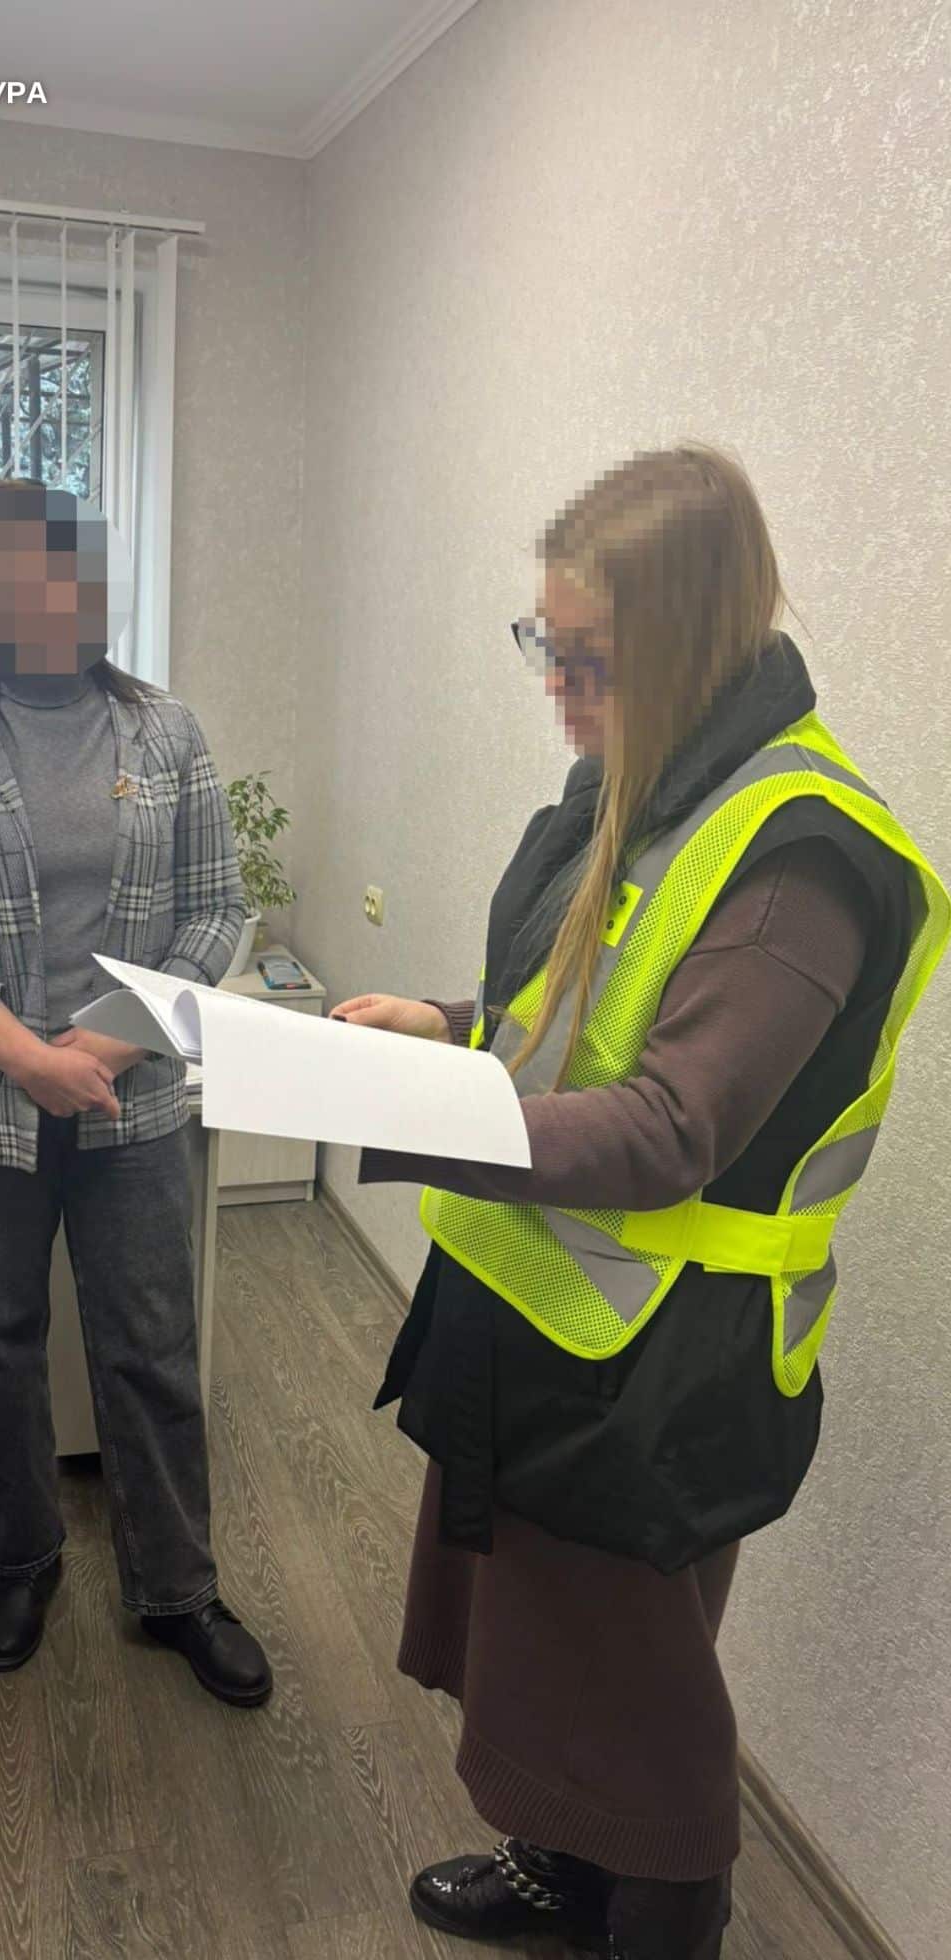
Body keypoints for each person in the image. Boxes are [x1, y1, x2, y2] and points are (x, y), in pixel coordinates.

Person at [333, 445, 947, 1959]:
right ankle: (563, 1871)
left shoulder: (801, 855)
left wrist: (419, 1117)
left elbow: (675, 1124)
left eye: (588, 655)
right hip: (548, 1310)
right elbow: (579, 1017)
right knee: (541, 1654)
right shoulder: (653, 791)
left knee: (635, 1693)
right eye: (544, 644)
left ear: (689, 640)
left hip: (666, 1358)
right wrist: (448, 1026)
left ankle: (663, 1916)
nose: (558, 688)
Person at [0, 477, 271, 1705]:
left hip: (130, 1103)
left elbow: (217, 910)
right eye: (13, 575)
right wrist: (24, 1052)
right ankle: (21, 1559)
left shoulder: (167, 733)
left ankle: (177, 1587)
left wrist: (111, 1042)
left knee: (151, 1346)